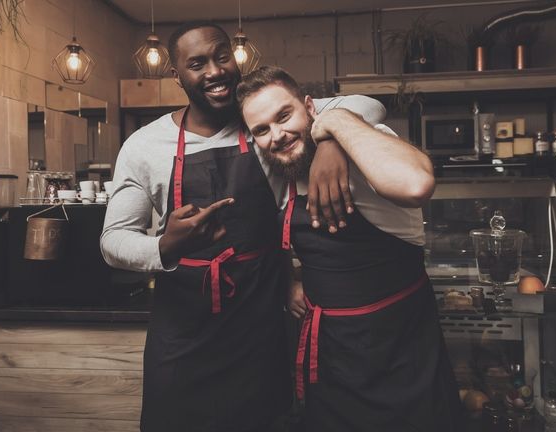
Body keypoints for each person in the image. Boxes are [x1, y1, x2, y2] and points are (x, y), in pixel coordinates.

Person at [100, 22, 385, 431]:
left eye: (221, 56)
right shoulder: (145, 146)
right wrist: (165, 246)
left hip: (260, 332)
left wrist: (332, 140)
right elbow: (113, 241)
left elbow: (369, 104)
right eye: (197, 64)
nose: (215, 71)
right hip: (182, 339)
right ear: (176, 75)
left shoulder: (263, 123)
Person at [237, 65, 464, 432]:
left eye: (284, 116)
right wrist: (291, 279)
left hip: (401, 351)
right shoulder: (280, 170)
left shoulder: (365, 144)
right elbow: (270, 234)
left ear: (311, 107)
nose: (276, 135)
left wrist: (334, 129)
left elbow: (416, 183)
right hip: (332, 358)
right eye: (261, 130)